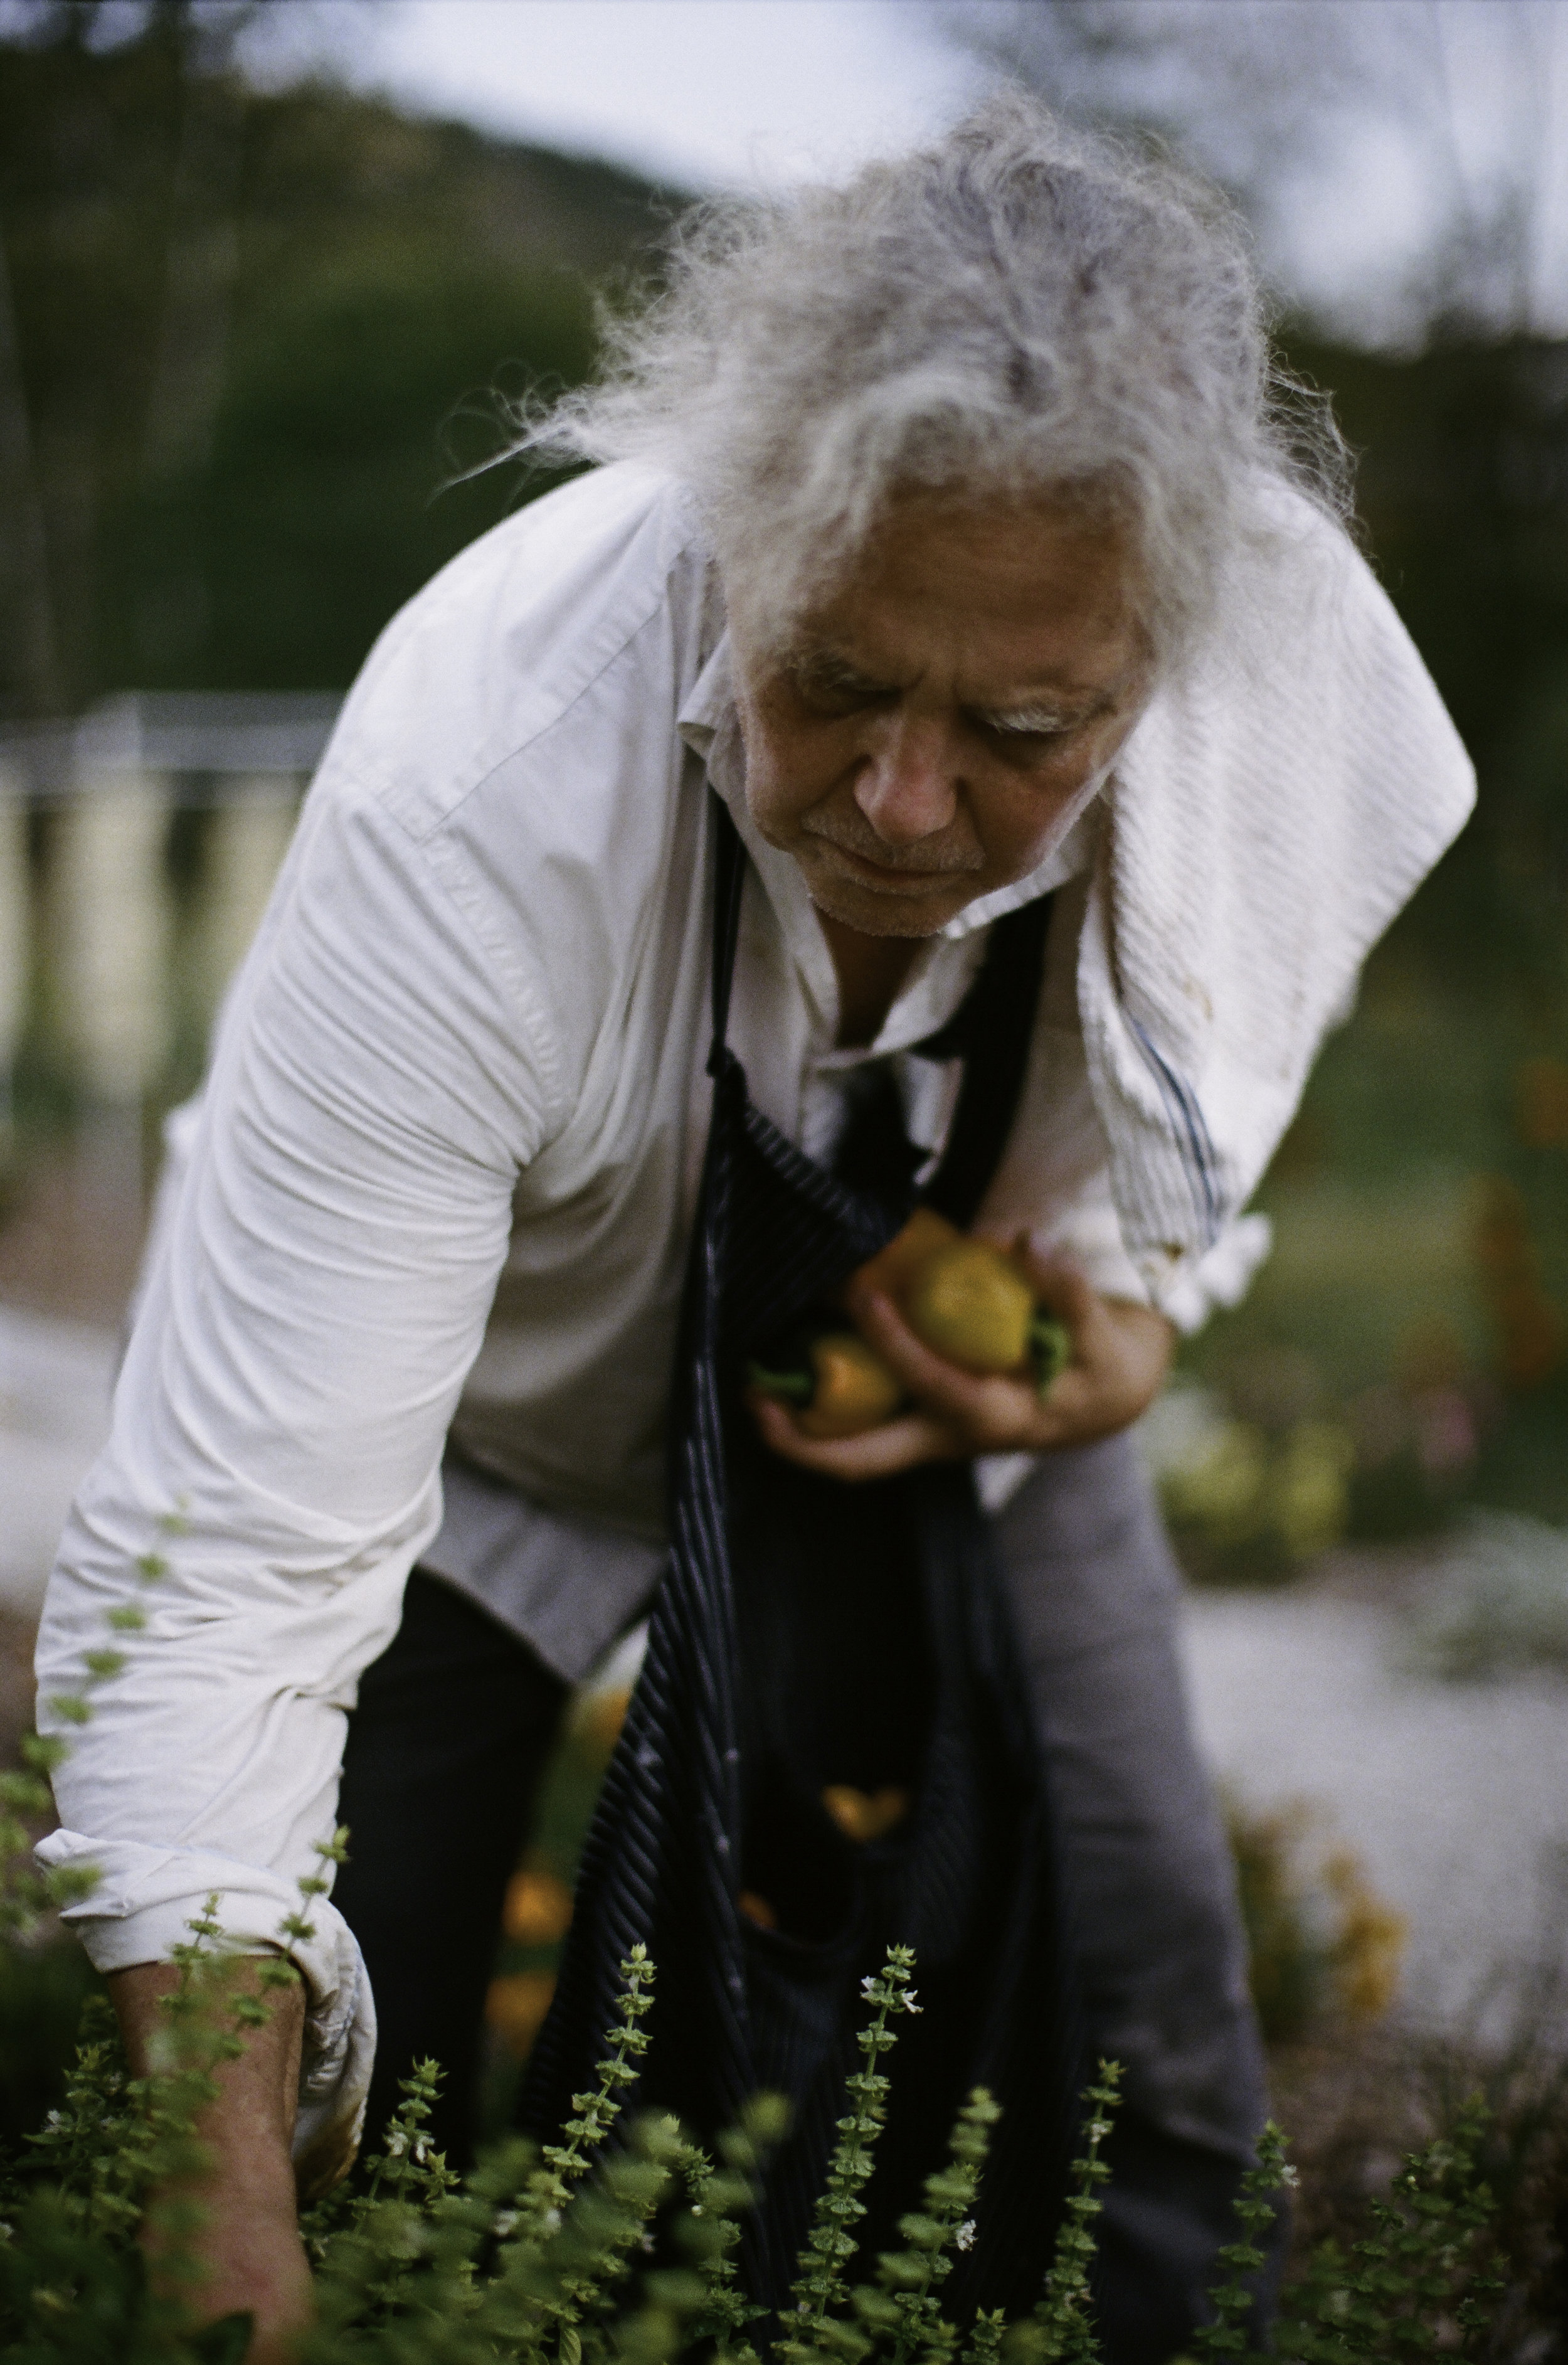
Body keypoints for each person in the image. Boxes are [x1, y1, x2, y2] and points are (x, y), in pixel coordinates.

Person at [36, 96, 1473, 2363]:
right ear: (741, 537)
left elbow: (1204, 1067)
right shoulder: (482, 778)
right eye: (832, 680)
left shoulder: (1286, 707)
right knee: (332, 2104)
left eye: (1018, 727)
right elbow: (232, 1562)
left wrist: (1134, 1326)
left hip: (929, 1440)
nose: (908, 806)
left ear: (1163, 668)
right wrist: (219, 2230)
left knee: (1159, 2082)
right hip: (465, 1465)